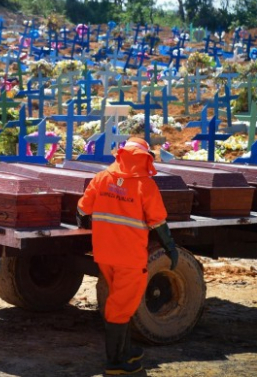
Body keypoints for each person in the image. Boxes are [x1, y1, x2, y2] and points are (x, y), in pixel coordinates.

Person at [76, 137, 179, 375]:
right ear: (144, 158)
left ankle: (124, 350)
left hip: (104, 254)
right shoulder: (145, 185)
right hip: (129, 258)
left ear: (121, 155)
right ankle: (114, 362)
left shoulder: (102, 178)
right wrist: (170, 247)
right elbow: (158, 223)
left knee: (119, 301)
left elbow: (82, 209)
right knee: (121, 306)